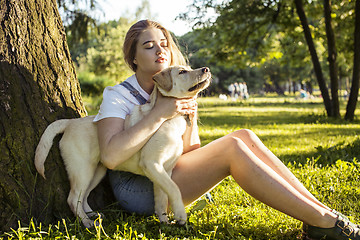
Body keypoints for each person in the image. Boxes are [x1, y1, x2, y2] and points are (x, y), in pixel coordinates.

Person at [93, 19, 360, 240]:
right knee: (232, 149)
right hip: (137, 189)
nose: (160, 51)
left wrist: (188, 115)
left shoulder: (178, 86)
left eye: (164, 44)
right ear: (133, 58)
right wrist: (159, 115)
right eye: (149, 46)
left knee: (245, 136)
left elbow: (189, 152)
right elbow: (111, 156)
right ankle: (324, 223)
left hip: (170, 171)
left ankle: (321, 212)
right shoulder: (118, 96)